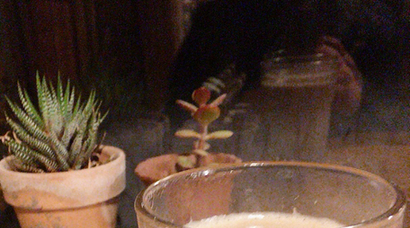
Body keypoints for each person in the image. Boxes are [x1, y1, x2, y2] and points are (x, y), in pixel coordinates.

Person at [166, 0, 408, 133]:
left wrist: (358, 99)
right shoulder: (221, 15)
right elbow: (176, 114)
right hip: (246, 167)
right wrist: (252, 104)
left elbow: (397, 115)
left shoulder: (371, 17)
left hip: (346, 169)